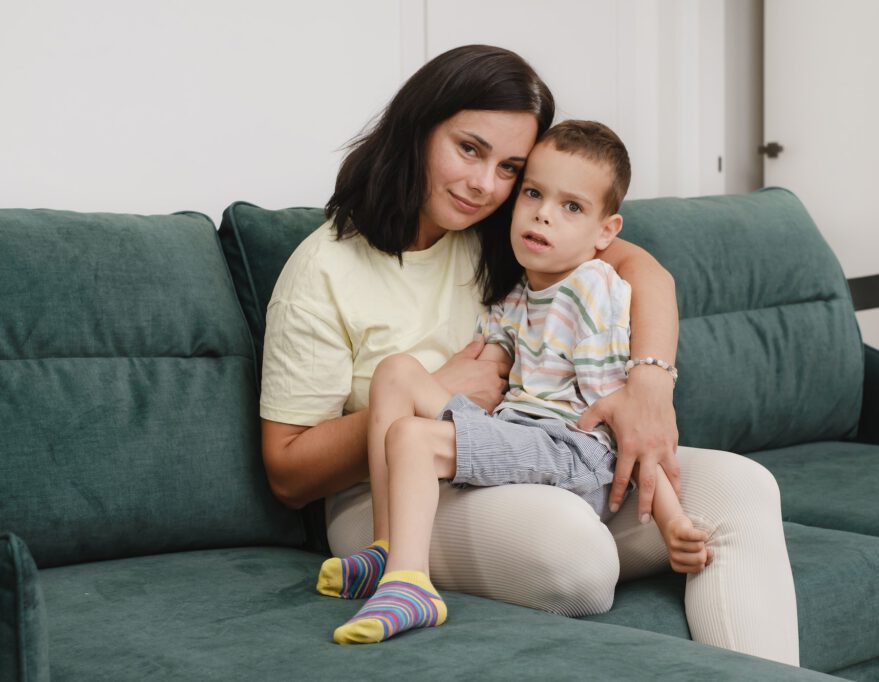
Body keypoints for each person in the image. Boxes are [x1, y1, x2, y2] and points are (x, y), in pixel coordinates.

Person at [260, 44, 799, 664]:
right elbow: (286, 472)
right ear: (417, 128)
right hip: (385, 499)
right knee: (575, 553)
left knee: (741, 488)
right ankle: (396, 568)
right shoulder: (324, 269)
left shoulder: (510, 228)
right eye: (468, 149)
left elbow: (645, 274)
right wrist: (442, 389)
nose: (484, 184)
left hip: (527, 450)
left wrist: (649, 389)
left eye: (510, 167)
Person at [318, 119, 717, 645]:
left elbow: (620, 416)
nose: (543, 213)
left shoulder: (591, 287)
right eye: (532, 193)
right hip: (518, 431)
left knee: (413, 437)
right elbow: (485, 377)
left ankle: (410, 585)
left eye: (571, 207)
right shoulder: (520, 294)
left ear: (606, 232)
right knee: (396, 372)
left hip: (571, 450)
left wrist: (670, 521)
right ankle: (387, 549)